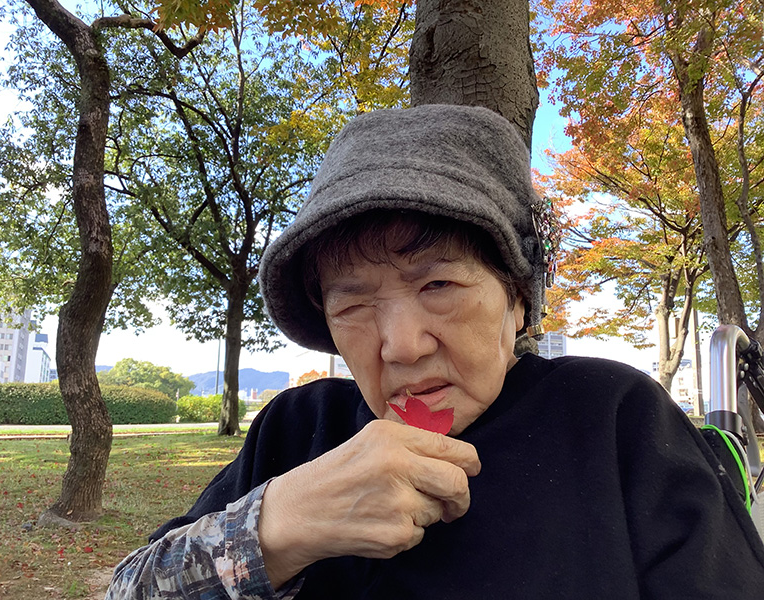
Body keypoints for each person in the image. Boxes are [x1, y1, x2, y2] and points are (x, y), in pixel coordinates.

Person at [106, 105, 764, 599]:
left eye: (439, 286)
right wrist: (276, 528)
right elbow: (125, 588)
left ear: (518, 298)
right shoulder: (298, 429)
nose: (401, 345)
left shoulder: (615, 418)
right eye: (353, 305)